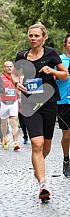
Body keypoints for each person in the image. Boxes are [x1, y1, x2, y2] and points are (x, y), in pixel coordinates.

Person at [14, 22, 68, 201]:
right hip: (30, 103)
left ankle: (39, 167)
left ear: (44, 37)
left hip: (49, 102)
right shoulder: (21, 55)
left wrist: (52, 70)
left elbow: (65, 75)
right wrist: (17, 83)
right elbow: (14, 73)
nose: (33, 38)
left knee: (46, 146)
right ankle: (43, 184)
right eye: (31, 35)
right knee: (36, 143)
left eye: (37, 36)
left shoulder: (51, 54)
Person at [56, 33, 70, 177]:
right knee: (66, 135)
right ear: (65, 45)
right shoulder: (59, 60)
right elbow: (52, 76)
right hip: (64, 101)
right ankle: (66, 159)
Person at [0, 61, 20, 151]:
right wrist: (3, 90)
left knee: (14, 121)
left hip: (13, 101)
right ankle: (5, 138)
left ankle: (15, 142)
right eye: (7, 66)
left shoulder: (16, 77)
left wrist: (19, 96)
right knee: (4, 122)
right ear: (5, 68)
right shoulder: (1, 77)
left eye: (11, 66)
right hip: (3, 102)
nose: (9, 68)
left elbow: (19, 88)